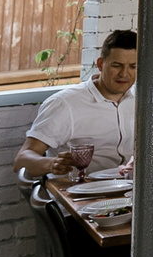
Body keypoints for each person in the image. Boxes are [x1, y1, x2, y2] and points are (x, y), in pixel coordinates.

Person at [16, 30, 138, 177]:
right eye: (117, 66)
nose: (124, 74)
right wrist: (51, 163)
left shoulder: (143, 101)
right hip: (78, 189)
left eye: (133, 66)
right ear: (100, 64)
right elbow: (21, 160)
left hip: (128, 188)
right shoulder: (64, 104)